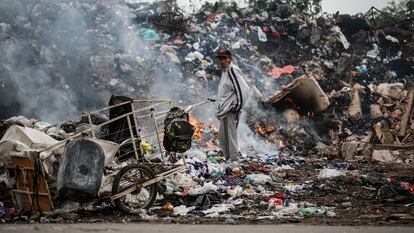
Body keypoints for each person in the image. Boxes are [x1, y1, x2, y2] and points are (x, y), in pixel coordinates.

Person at [215, 47, 249, 164]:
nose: (222, 61)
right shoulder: (225, 72)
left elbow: (243, 90)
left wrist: (237, 106)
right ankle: (228, 160)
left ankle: (233, 161)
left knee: (230, 137)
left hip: (229, 110)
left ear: (230, 59)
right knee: (223, 137)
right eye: (220, 58)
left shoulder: (232, 70)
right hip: (224, 110)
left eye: (224, 58)